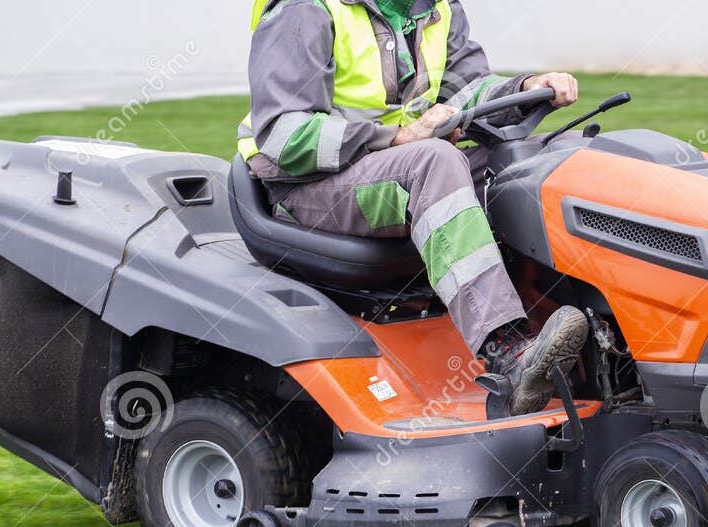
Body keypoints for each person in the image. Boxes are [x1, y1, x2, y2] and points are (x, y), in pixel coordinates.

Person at [240, 0, 587, 416]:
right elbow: (284, 136)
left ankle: (597, 336)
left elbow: (466, 90)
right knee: (435, 162)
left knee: (545, 159)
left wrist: (524, 88)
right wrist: (396, 137)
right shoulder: (306, 10)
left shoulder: (434, 8)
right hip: (308, 189)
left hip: (393, 165)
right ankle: (507, 352)